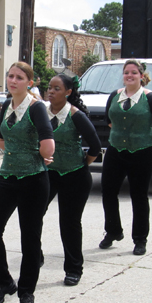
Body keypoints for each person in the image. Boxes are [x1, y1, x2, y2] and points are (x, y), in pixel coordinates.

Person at [0, 61, 55, 303]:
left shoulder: (36, 108)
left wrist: (35, 154)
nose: (13, 81)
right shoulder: (5, 105)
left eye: (19, 77)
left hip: (34, 178)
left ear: (30, 82)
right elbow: (1, 139)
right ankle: (3, 282)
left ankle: (26, 292)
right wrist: (16, 153)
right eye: (10, 76)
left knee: (30, 238)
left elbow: (48, 145)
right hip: (7, 176)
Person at [99, 59, 152, 255]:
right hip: (116, 150)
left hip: (143, 152)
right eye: (126, 73)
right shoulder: (115, 96)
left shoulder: (151, 98)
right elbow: (109, 121)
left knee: (138, 196)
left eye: (133, 72)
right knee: (108, 192)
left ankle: (140, 239)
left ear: (141, 75)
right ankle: (113, 231)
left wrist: (149, 137)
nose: (129, 76)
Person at [45, 74, 102, 286]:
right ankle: (35, 255)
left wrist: (82, 164)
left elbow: (95, 146)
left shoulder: (75, 115)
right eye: (49, 87)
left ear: (68, 92)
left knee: (69, 223)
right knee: (33, 215)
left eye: (57, 88)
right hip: (48, 173)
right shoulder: (40, 111)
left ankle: (74, 268)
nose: (51, 91)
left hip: (75, 175)